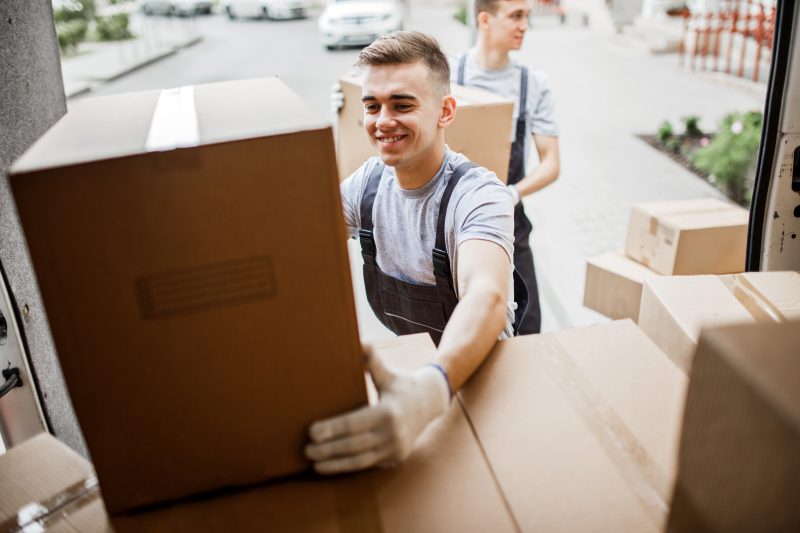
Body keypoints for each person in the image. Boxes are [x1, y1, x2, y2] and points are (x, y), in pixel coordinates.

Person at [305, 31, 526, 475]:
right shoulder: (367, 184)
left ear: (445, 111)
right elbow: (301, 242)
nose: (382, 120)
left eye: (402, 105)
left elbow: (486, 296)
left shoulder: (479, 195)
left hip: (479, 379)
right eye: (372, 106)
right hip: (412, 371)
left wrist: (428, 392)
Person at [454, 0, 561, 335]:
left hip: (511, 225)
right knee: (458, 329)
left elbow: (551, 163)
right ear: (485, 20)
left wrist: (512, 193)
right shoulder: (446, 74)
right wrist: (352, 104)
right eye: (516, 16)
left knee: (528, 329)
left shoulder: (533, 84)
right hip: (451, 228)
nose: (524, 25)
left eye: (526, 16)